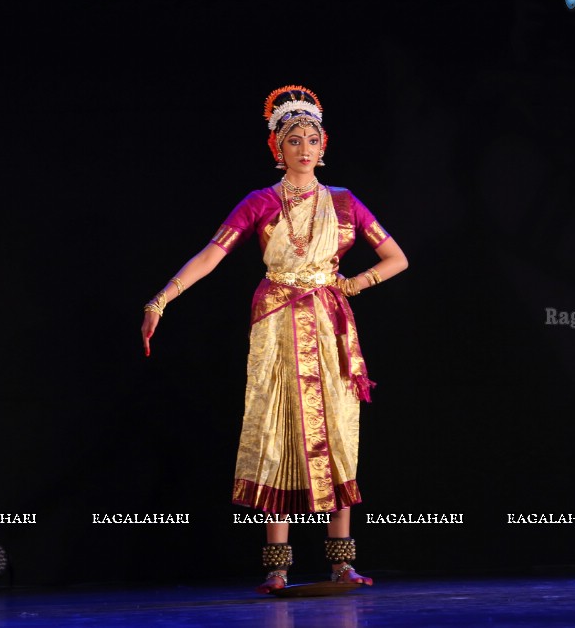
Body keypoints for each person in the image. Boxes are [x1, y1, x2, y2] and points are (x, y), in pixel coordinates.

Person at [140, 85, 408, 594]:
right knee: (275, 427)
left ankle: (341, 564)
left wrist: (352, 284)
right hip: (278, 323)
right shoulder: (259, 203)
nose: (304, 149)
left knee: (336, 431)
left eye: (312, 139)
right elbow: (210, 256)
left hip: (329, 324)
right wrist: (162, 299)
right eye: (293, 141)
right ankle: (277, 567)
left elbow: (398, 258)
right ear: (277, 150)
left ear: (323, 146)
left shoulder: (346, 203)